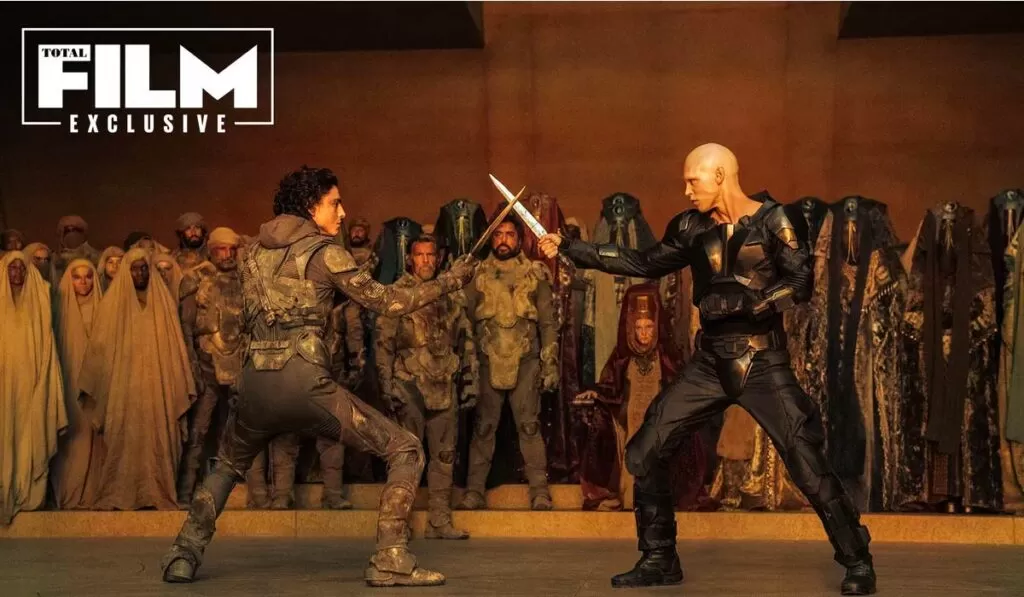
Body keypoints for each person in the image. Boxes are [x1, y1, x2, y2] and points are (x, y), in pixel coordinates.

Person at [537, 143, 876, 595]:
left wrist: (751, 303)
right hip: (710, 363)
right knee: (646, 448)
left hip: (762, 361)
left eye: (692, 181)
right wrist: (571, 248)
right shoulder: (690, 227)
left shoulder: (776, 220)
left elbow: (800, 282)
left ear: (719, 176)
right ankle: (659, 558)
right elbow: (643, 262)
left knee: (807, 463)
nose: (686, 190)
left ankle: (858, 561)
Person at [161, 166, 477, 587]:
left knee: (226, 467)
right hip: (305, 384)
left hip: (255, 383)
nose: (342, 213)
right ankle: (391, 558)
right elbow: (389, 302)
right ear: (311, 206)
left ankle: (183, 554)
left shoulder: (251, 253)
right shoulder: (326, 253)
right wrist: (450, 281)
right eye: (334, 203)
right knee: (406, 450)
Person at [375, 234, 477, 539]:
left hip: (444, 384)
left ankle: (439, 521)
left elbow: (466, 341)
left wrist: (470, 382)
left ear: (438, 258)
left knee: (444, 456)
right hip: (409, 385)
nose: (425, 261)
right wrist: (386, 386)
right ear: (410, 258)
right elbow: (383, 344)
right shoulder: (397, 294)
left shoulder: (451, 295)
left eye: (430, 255)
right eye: (420, 255)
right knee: (406, 458)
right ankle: (398, 525)